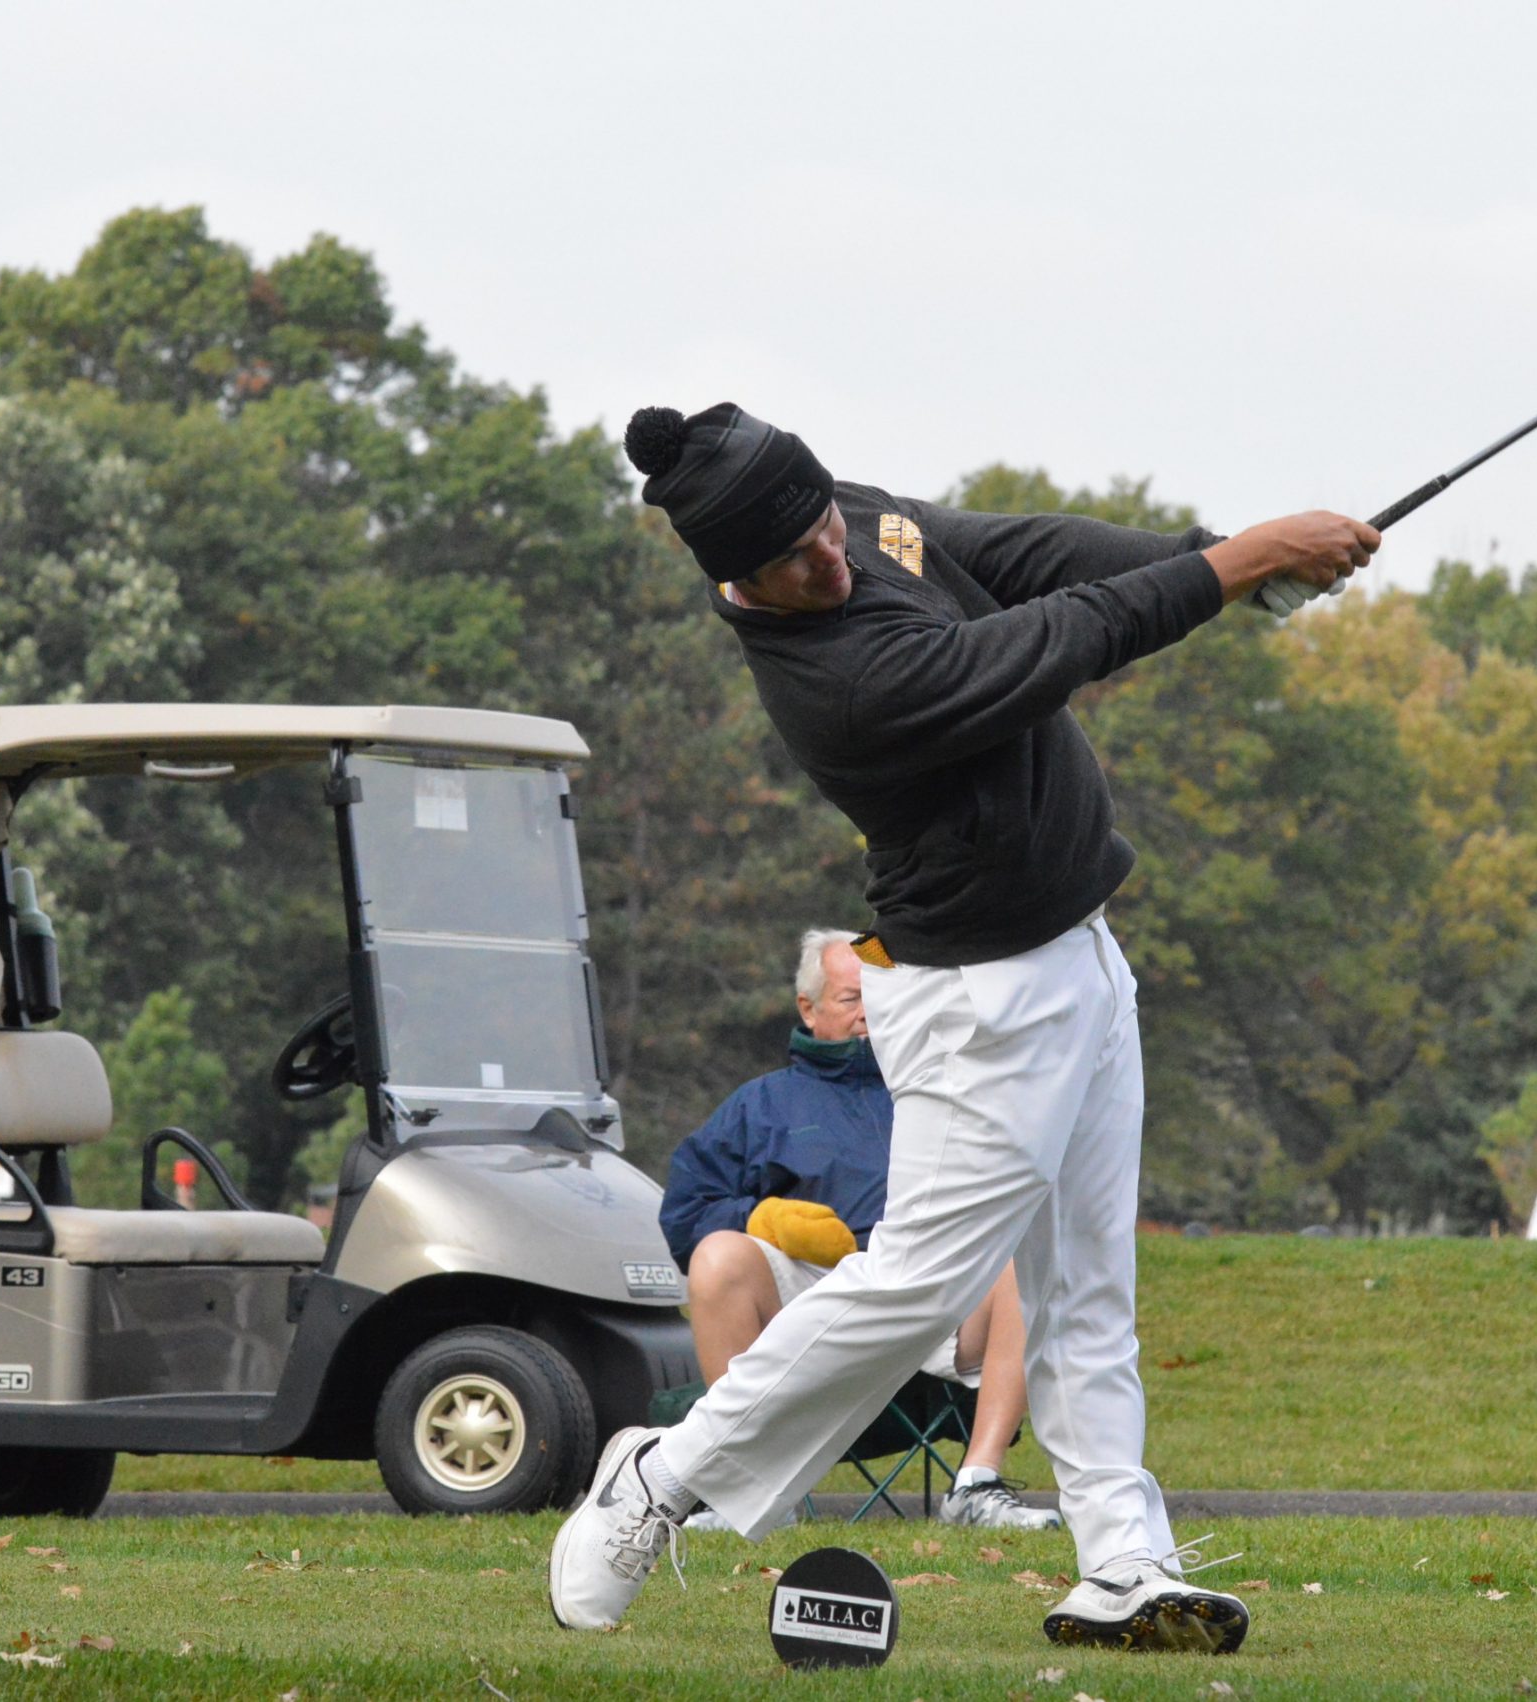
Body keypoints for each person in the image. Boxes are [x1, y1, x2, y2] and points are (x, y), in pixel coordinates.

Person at [550, 400, 1375, 1651]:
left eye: (828, 524)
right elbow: (1066, 634)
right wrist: (1244, 561)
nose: (835, 556)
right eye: (798, 559)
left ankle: (1121, 1562)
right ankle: (659, 1478)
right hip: (979, 999)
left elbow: (1029, 552)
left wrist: (1211, 551)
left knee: (1089, 1290)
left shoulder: (845, 521)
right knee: (916, 1283)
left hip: (1080, 953)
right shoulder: (841, 690)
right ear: (736, 577)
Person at [661, 927, 1060, 1533]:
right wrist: (761, 1220)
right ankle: (748, 1491)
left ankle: (977, 1485)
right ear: (809, 1008)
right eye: (852, 999)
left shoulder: (946, 1087)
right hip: (811, 1296)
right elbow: (686, 1212)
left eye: (882, 996)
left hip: (932, 1286)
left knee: (1019, 1249)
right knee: (717, 1256)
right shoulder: (760, 1104)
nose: (870, 1015)